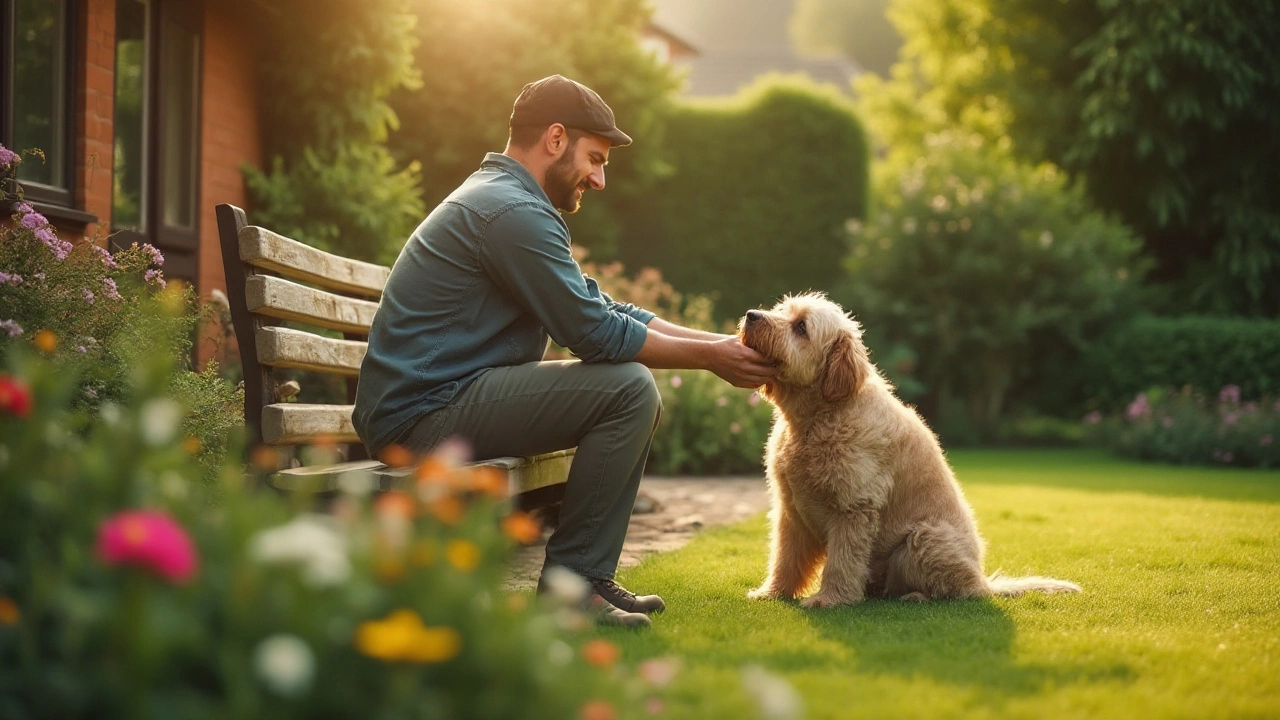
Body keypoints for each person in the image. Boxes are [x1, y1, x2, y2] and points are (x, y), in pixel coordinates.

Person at [353, 75, 776, 627]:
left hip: (439, 402)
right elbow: (595, 334)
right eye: (594, 159)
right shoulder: (510, 213)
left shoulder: (506, 202)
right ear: (555, 138)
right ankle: (573, 589)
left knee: (626, 386)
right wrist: (710, 361)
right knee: (626, 388)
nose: (599, 179)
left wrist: (719, 344)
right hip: (423, 417)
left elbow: (603, 308)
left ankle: (582, 580)